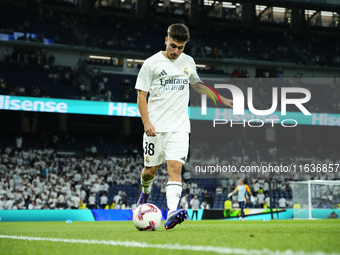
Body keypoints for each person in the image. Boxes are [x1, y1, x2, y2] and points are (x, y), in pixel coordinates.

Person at [135, 23, 233, 230]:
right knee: (149, 171)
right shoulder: (151, 63)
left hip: (180, 127)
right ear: (166, 40)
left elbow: (197, 84)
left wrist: (222, 99)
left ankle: (171, 213)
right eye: (173, 46)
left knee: (175, 167)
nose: (176, 51)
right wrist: (146, 123)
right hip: (155, 128)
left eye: (180, 47)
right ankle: (145, 192)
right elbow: (141, 95)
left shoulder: (188, 61)